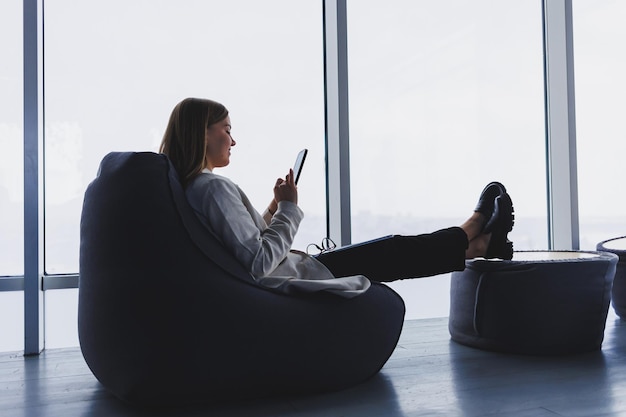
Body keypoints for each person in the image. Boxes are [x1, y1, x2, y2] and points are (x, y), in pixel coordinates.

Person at [159, 97, 514, 298]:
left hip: (294, 269)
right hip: (292, 277)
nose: (233, 141)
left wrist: (270, 208)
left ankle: (476, 243)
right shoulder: (212, 188)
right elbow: (258, 263)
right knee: (394, 250)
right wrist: (288, 207)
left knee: (392, 251)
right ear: (202, 134)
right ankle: (474, 235)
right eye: (227, 130)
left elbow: (243, 245)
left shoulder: (197, 189)